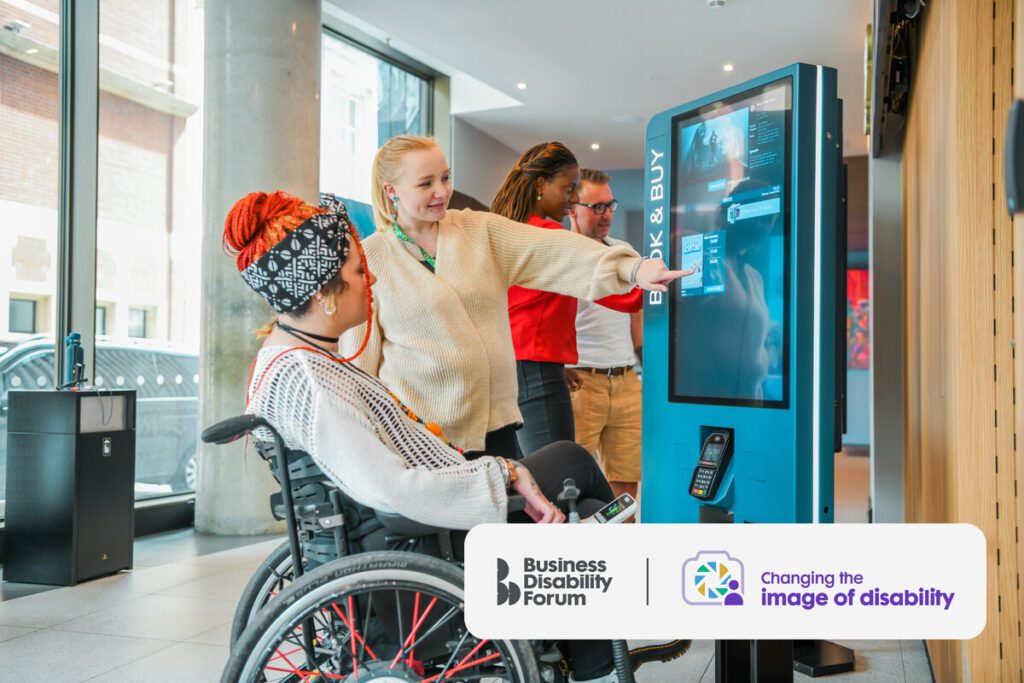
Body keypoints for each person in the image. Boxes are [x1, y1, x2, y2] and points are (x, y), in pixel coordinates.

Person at [226, 190, 619, 683]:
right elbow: (391, 488)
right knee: (571, 464)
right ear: (323, 292)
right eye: (356, 272)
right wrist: (500, 473)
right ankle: (595, 659)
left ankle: (590, 647)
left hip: (394, 529)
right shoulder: (308, 381)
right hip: (418, 537)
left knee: (562, 466)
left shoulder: (289, 361)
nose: (369, 280)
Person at [339, 134, 684, 461]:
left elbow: (553, 250)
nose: (442, 191)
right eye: (425, 183)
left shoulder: (478, 231)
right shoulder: (370, 259)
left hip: (496, 429)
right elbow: (358, 367)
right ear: (391, 190)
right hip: (420, 440)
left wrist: (633, 269)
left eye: (445, 177)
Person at [491, 143, 647, 455]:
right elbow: (623, 295)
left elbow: (512, 310)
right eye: (568, 188)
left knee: (531, 479)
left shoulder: (510, 229)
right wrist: (653, 276)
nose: (573, 199)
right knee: (560, 479)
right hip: (535, 374)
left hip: (513, 368)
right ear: (540, 185)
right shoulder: (548, 235)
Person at [566, 169, 643, 503]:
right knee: (572, 483)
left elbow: (635, 312)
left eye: (610, 205)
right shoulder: (561, 254)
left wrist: (643, 359)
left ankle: (620, 552)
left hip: (626, 380)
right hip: (582, 382)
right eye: (596, 207)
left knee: (626, 485)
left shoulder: (622, 250)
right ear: (572, 208)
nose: (607, 214)